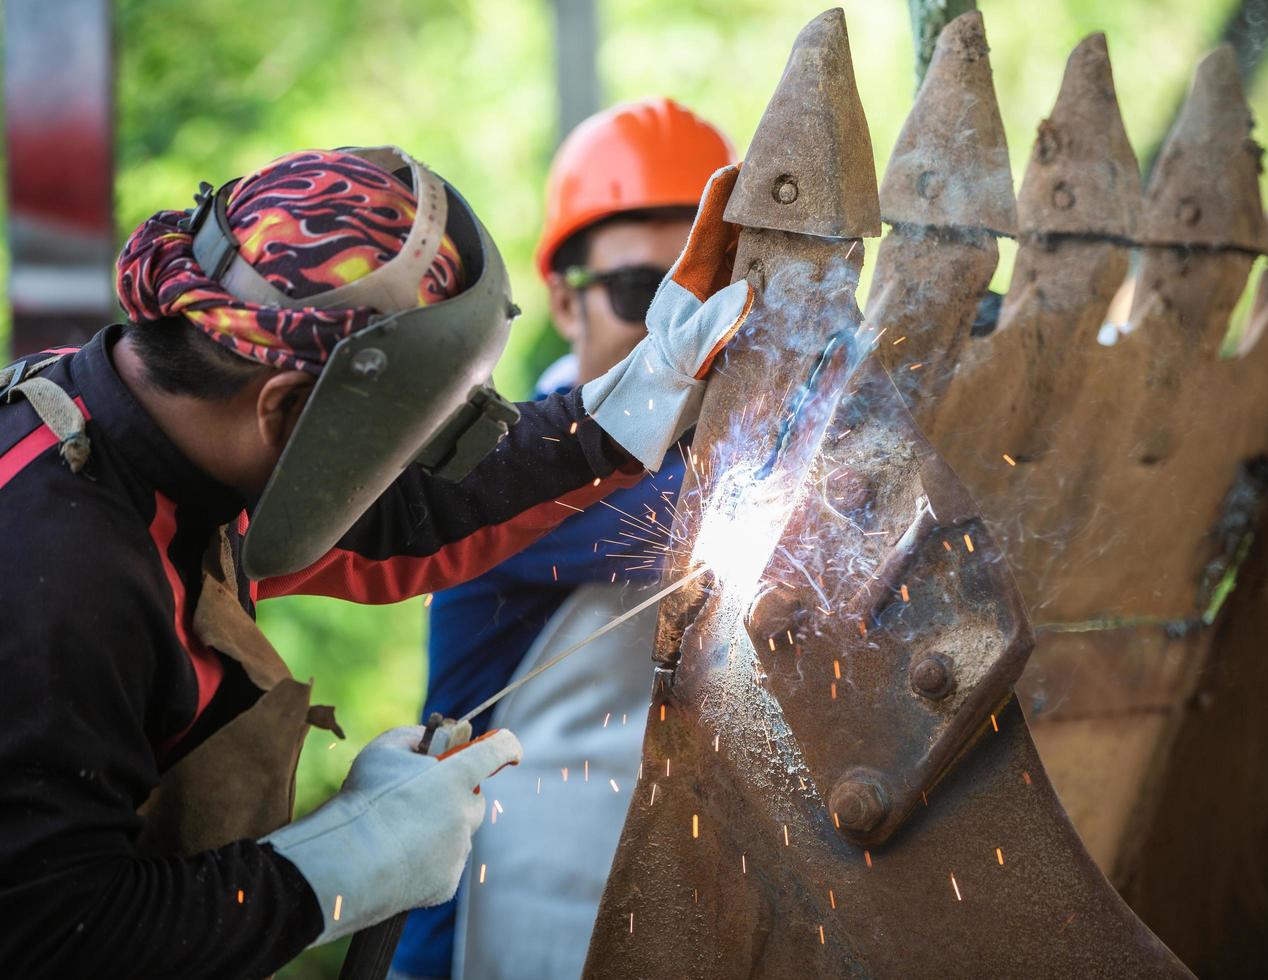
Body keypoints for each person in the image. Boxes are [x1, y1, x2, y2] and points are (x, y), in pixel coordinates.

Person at [0, 142, 749, 977]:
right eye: (400, 441)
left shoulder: (178, 437)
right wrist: (342, 861)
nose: (409, 470)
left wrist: (633, 400)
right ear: (285, 409)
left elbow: (416, 510)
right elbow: (51, 935)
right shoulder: (62, 580)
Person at [389, 99, 737, 980]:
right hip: (501, 921)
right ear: (562, 297)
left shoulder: (724, 462)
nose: (675, 328)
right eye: (642, 294)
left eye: (702, 296)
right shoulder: (497, 472)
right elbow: (678, 518)